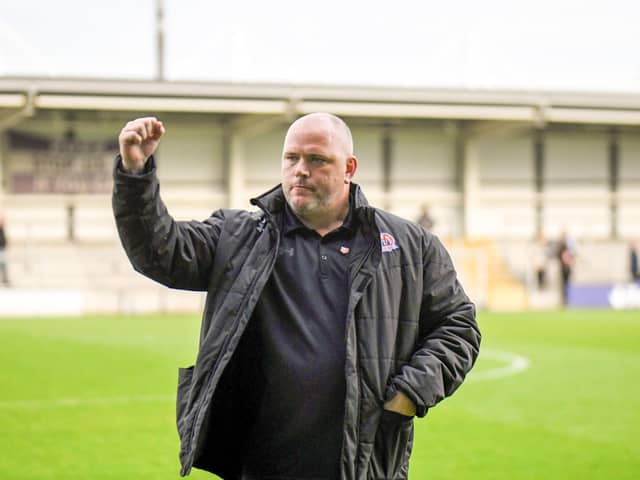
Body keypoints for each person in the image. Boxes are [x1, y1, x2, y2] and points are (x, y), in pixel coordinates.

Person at [112, 114, 481, 480]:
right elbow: (160, 252)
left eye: (317, 159)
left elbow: (459, 326)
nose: (300, 170)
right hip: (261, 464)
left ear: (349, 167)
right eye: (291, 158)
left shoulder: (410, 246)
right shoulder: (238, 236)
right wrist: (135, 174)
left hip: (362, 463)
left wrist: (411, 393)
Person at [556, 230, 576, 307]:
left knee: (567, 284)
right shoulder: (560, 245)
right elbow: (558, 255)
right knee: (563, 284)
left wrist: (571, 262)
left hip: (568, 268)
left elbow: (573, 255)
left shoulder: (570, 245)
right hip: (562, 268)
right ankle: (564, 300)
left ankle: (567, 300)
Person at [0, 215, 9, 286]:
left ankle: (5, 280)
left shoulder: (2, 229)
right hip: (1, 250)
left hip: (2, 250)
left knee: (3, 265)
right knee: (3, 265)